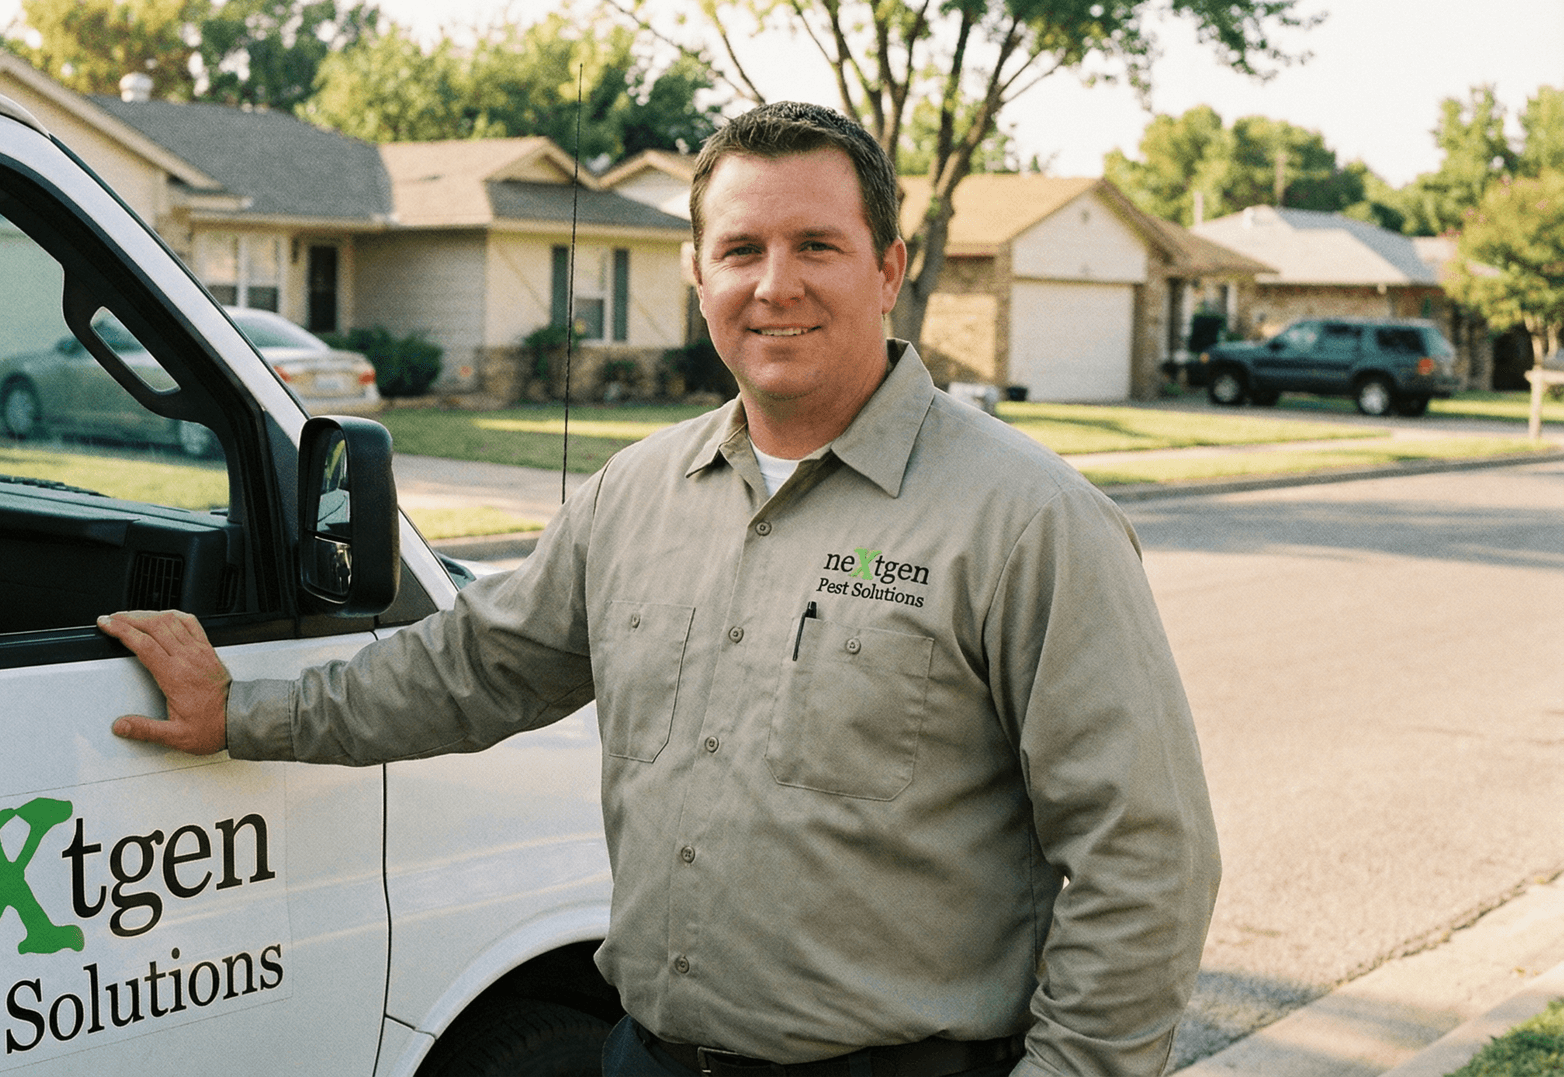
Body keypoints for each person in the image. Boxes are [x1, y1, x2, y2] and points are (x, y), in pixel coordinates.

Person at [101, 101, 1220, 1077]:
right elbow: (472, 670)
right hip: (647, 1055)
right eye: (740, 250)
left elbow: (1143, 857)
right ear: (697, 275)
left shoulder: (1028, 520)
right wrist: (242, 712)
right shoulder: (636, 494)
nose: (774, 285)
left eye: (817, 246)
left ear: (887, 269)